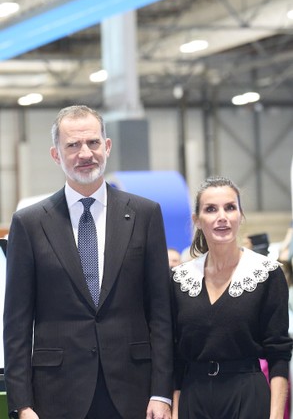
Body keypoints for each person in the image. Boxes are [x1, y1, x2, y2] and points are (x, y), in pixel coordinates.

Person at [3, 105, 173, 419]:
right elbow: (16, 323)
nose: (85, 153)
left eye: (93, 143)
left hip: (133, 392)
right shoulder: (28, 224)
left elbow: (161, 313)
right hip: (56, 395)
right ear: (56, 155)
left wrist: (162, 393)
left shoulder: (145, 214)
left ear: (107, 147)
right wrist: (21, 404)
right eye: (73, 145)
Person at [171, 176, 292, 419]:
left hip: (248, 395)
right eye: (211, 209)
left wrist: (277, 416)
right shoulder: (178, 279)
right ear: (197, 220)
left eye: (230, 207)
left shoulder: (267, 274)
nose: (222, 216)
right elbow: (174, 356)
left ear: (240, 215)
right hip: (193, 398)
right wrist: (174, 411)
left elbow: (278, 353)